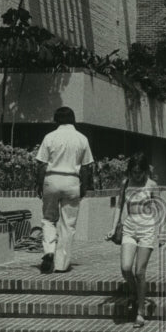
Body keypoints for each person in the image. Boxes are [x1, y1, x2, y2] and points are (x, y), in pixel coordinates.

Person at [35, 106, 94, 274]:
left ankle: (48, 251)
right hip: (72, 181)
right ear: (73, 119)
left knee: (48, 219)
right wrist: (84, 186)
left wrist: (40, 185)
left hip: (52, 179)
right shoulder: (82, 138)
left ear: (56, 119)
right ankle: (61, 264)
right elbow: (86, 167)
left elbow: (41, 164)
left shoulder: (50, 137)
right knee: (68, 224)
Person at [110, 152, 164, 327]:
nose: (136, 176)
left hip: (147, 229)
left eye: (139, 172)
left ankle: (140, 311)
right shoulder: (125, 183)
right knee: (126, 268)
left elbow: (161, 209)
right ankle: (135, 293)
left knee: (139, 271)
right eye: (133, 172)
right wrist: (113, 227)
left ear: (145, 171)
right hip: (129, 228)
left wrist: (161, 232)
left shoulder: (151, 185)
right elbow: (119, 206)